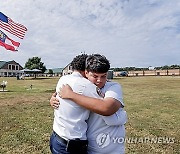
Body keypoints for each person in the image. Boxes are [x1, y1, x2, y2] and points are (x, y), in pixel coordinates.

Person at [50, 54, 127, 154]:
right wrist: (54, 99)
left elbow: (107, 108)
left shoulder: (113, 86)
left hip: (111, 147)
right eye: (95, 76)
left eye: (103, 76)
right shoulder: (85, 86)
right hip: (89, 146)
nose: (99, 80)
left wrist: (71, 95)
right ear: (86, 73)